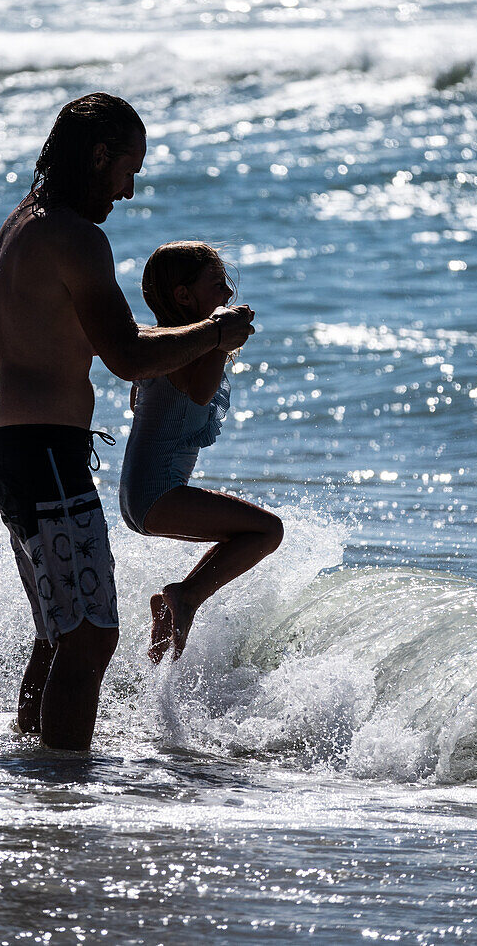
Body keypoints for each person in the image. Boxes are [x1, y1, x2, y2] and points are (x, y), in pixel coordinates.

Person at [0, 93, 255, 751]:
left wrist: (194, 334)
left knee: (59, 631)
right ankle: (64, 803)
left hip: (10, 446)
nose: (129, 191)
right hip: (43, 450)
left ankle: (33, 778)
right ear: (99, 155)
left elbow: (116, 333)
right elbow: (129, 357)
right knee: (91, 634)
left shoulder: (24, 221)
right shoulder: (75, 236)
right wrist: (214, 332)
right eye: (128, 168)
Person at [119, 241, 283, 663]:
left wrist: (217, 337)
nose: (228, 294)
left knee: (248, 533)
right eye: (217, 284)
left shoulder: (160, 345)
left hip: (140, 496)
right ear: (183, 296)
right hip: (156, 496)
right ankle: (186, 595)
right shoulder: (189, 356)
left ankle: (152, 674)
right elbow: (200, 392)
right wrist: (219, 339)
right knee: (267, 531)